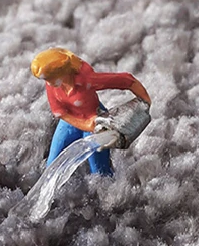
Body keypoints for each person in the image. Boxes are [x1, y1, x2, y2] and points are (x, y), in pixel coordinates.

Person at [31, 48, 151, 176]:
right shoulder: (52, 85)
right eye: (46, 79)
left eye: (51, 79)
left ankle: (107, 185)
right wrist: (85, 124)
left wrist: (145, 100)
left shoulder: (86, 79)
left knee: (99, 170)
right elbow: (59, 112)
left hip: (95, 120)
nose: (49, 83)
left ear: (63, 72)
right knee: (53, 163)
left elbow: (126, 80)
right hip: (70, 122)